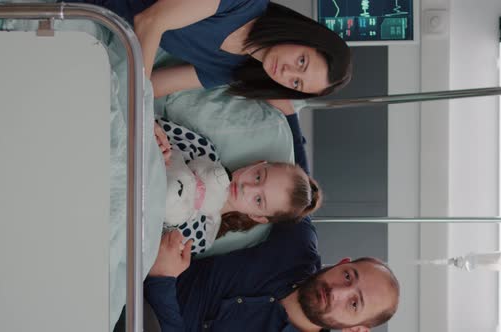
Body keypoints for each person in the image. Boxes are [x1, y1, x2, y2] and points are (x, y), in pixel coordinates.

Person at [141, 114, 400, 331]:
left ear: (355, 330)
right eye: (347, 276)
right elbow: (297, 191)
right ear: (343, 263)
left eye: (354, 303)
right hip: (137, 262)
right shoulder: (298, 250)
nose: (338, 292)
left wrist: (161, 280)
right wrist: (288, 112)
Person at [66, 0, 352, 113]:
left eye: (296, 83)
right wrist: (136, 108)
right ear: (304, 37)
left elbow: (155, 85)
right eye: (301, 61)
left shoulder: (233, 69)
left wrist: (148, 128)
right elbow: (150, 21)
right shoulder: (246, 3)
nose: (287, 72)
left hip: (92, 15)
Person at [154, 118, 322, 255]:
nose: (247, 188)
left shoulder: (200, 236)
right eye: (258, 177)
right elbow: (148, 122)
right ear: (257, 163)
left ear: (258, 217)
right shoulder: (203, 150)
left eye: (258, 200)